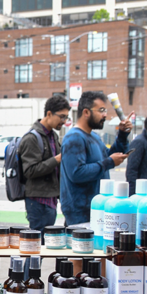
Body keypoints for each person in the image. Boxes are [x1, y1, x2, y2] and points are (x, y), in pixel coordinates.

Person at [60, 91, 131, 226]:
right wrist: (109, 162)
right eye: (101, 110)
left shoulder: (94, 137)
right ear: (86, 112)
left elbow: (108, 157)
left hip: (97, 211)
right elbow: (76, 173)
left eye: (105, 110)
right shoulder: (74, 137)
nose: (105, 115)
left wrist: (122, 134)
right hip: (80, 216)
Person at [18, 95, 67, 231]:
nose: (64, 121)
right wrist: (56, 159)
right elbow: (30, 171)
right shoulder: (31, 138)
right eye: (62, 116)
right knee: (38, 243)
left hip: (50, 198)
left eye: (66, 117)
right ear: (49, 114)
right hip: (37, 200)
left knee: (48, 241)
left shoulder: (53, 135)